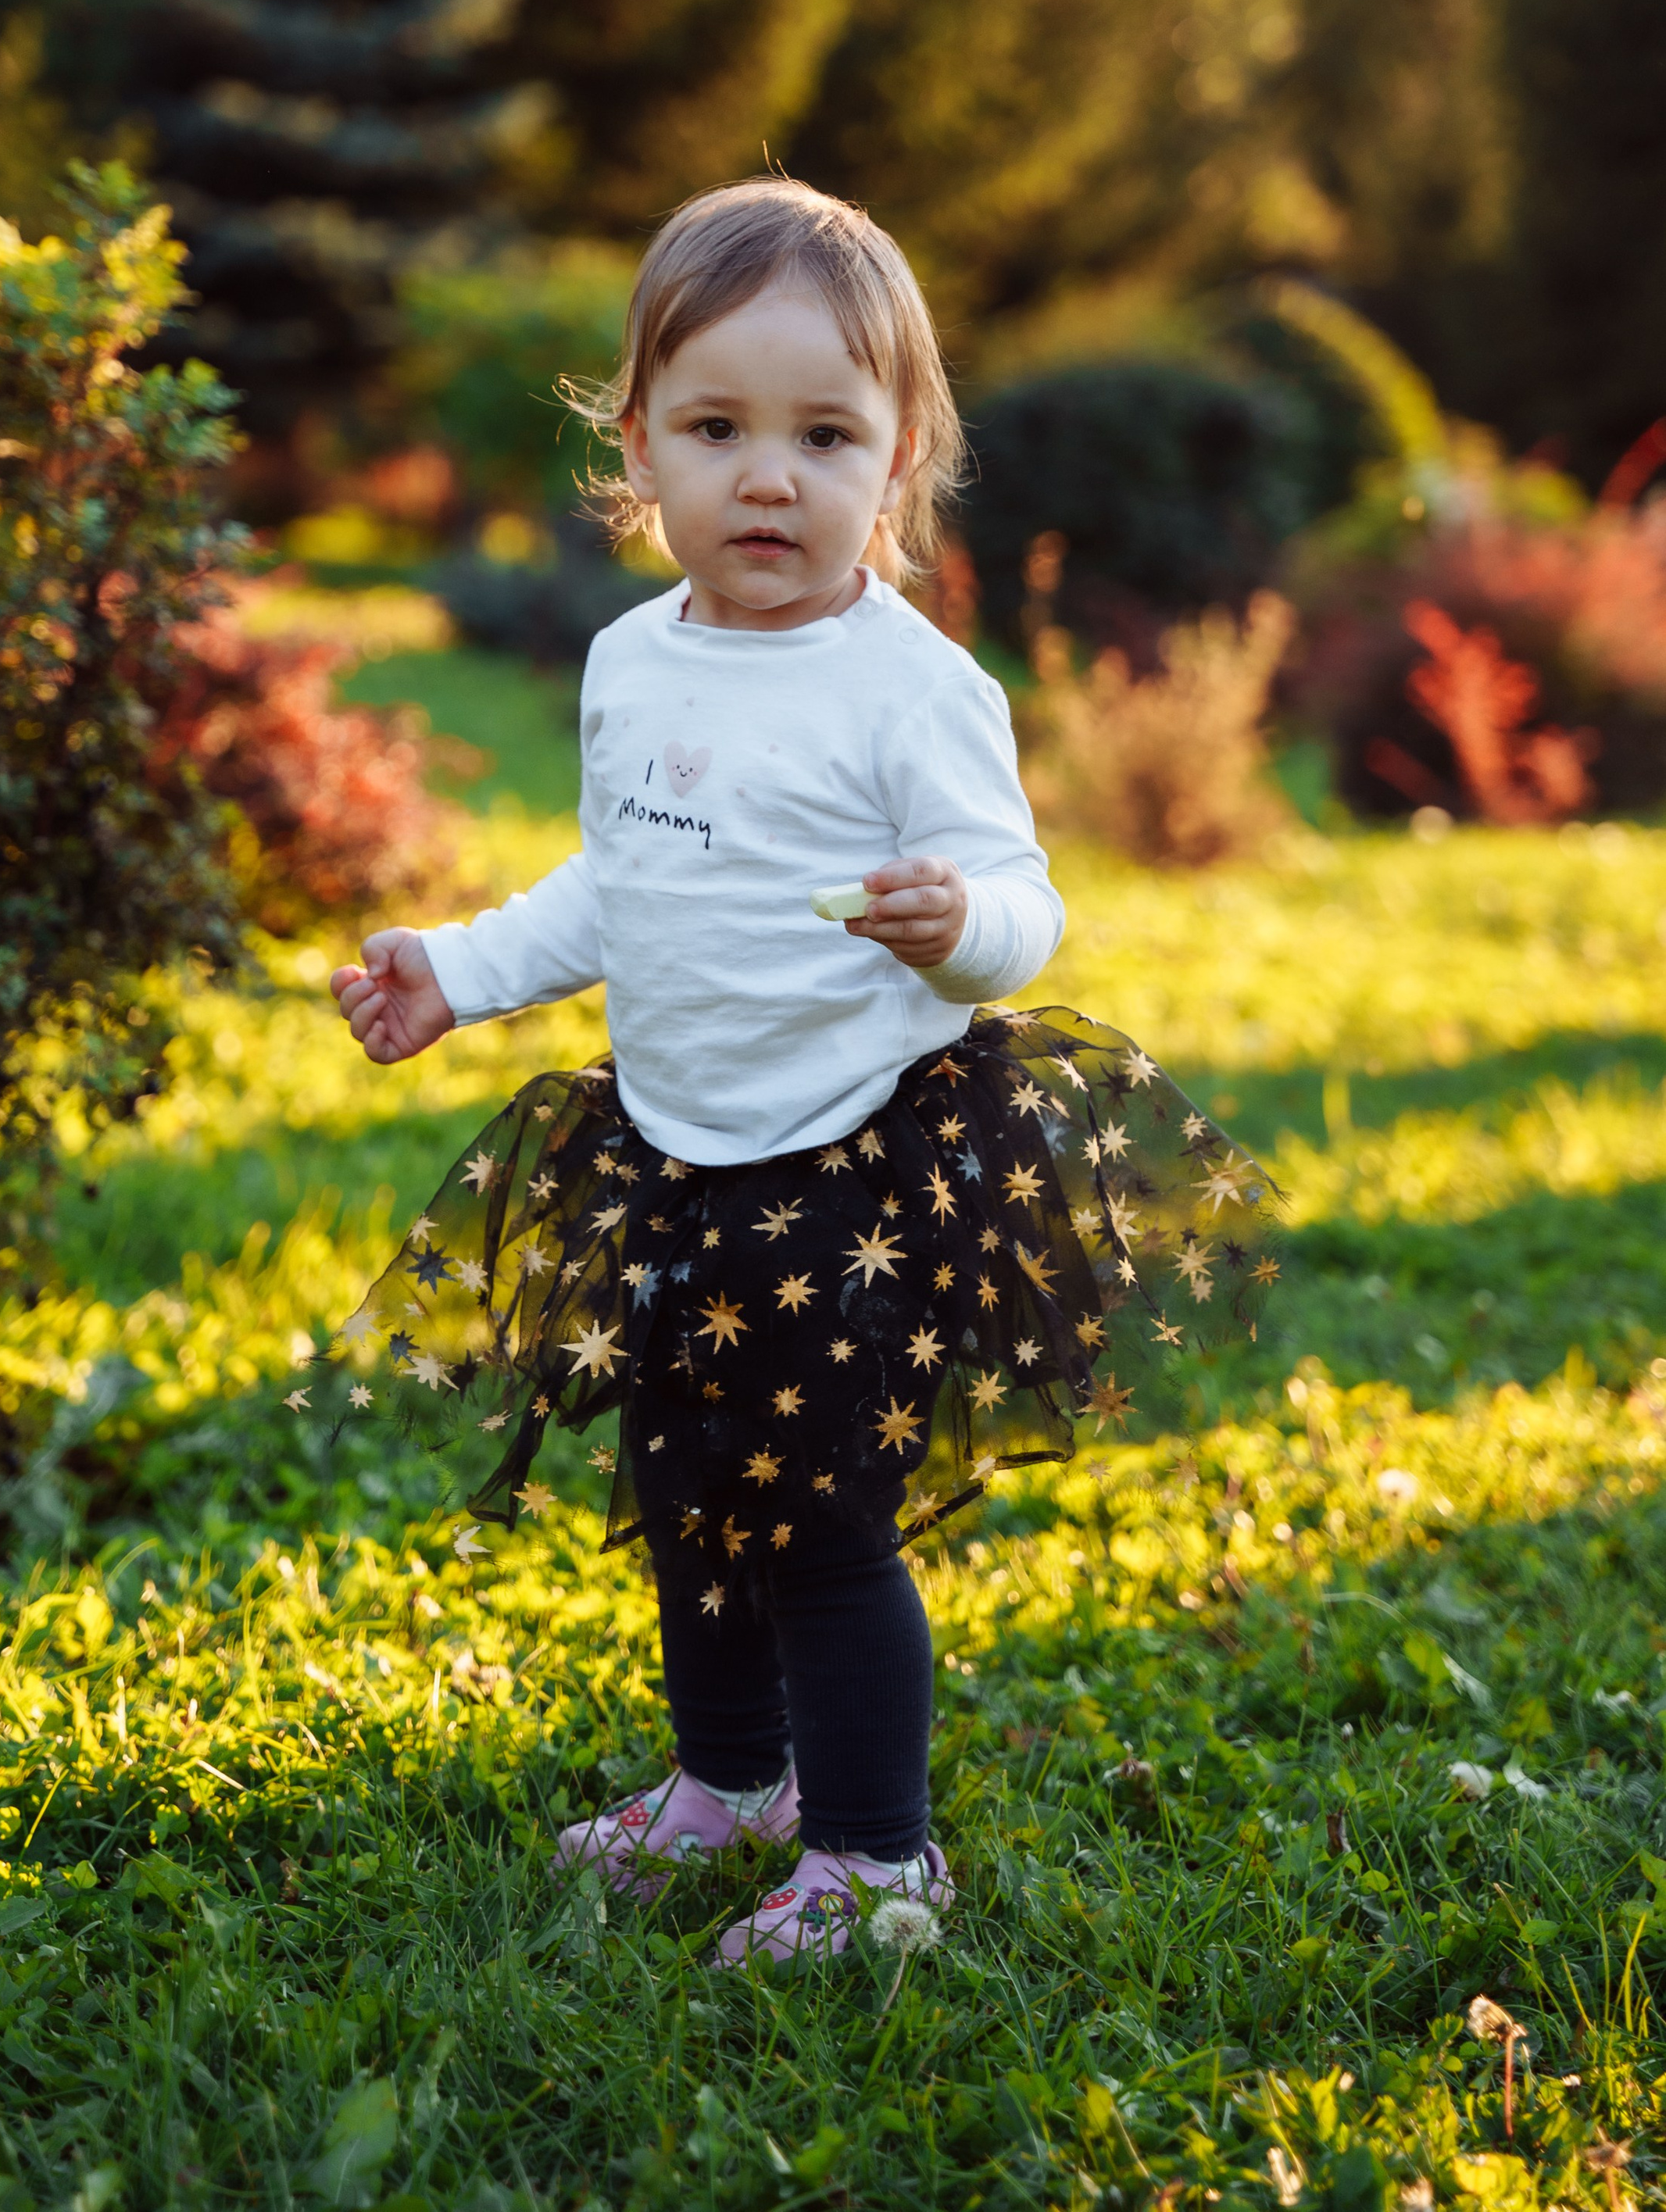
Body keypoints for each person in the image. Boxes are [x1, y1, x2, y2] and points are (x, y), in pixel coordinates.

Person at [330, 177, 1276, 1970]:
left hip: (852, 1171)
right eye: (716, 428)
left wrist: (956, 927)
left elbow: (1025, 906)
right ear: (639, 446)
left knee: (823, 1523)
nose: (768, 476)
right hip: (668, 1153)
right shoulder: (628, 664)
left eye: (822, 434)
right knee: (691, 1489)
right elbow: (617, 882)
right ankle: (731, 1777)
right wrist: (452, 972)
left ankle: (872, 1861)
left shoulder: (908, 687)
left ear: (896, 457)